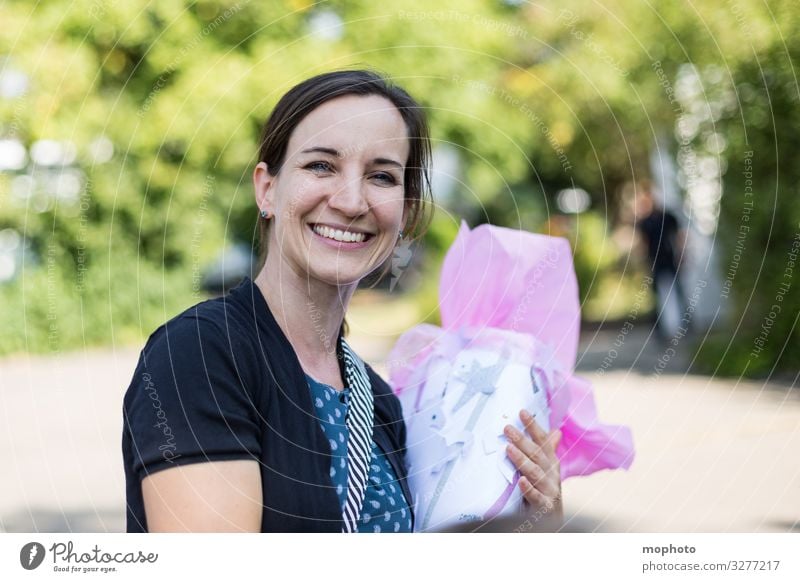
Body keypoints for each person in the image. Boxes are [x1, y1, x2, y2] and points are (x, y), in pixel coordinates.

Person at [121, 69, 563, 533]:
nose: (352, 201)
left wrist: (536, 521)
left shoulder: (379, 403)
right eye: (321, 166)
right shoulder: (201, 357)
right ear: (266, 188)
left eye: (382, 176)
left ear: (406, 214)